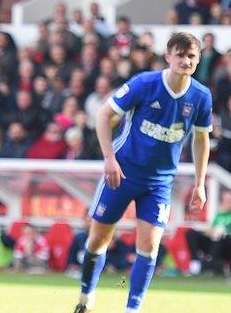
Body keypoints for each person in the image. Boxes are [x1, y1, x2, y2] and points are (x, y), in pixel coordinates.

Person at [72, 32, 212, 313]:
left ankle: (132, 308)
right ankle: (86, 298)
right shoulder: (145, 83)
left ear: (197, 60)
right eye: (180, 54)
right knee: (98, 239)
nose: (185, 60)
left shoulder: (200, 96)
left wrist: (200, 182)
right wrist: (109, 158)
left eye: (191, 56)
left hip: (159, 182)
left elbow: (201, 139)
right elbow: (103, 115)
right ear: (168, 56)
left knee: (149, 245)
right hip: (122, 173)